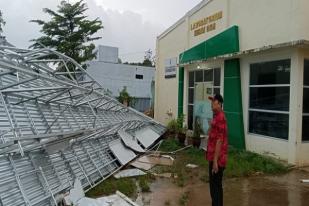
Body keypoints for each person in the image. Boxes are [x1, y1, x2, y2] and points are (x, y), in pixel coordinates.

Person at [206, 94, 228, 206]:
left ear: (219, 104)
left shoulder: (220, 118)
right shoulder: (216, 116)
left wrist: (215, 161)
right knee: (215, 187)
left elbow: (219, 140)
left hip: (218, 159)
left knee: (215, 188)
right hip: (214, 157)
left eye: (213, 101)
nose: (211, 104)